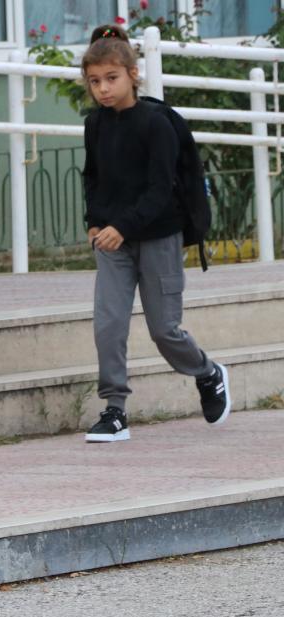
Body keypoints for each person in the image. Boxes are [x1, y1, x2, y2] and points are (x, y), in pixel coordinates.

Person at [81, 24, 230, 443]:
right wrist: (94, 221)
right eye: (95, 81)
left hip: (159, 237)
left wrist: (121, 226)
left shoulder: (156, 123)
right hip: (112, 241)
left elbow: (160, 189)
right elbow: (93, 177)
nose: (103, 89)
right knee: (109, 325)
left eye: (111, 78)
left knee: (165, 329)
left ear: (133, 75)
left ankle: (207, 372)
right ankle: (114, 410)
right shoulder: (95, 125)